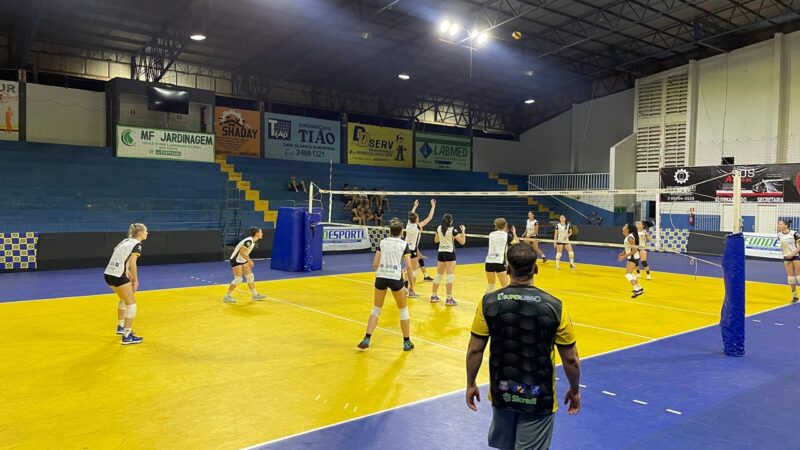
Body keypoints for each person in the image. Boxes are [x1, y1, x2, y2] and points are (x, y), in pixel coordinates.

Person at [466, 244, 581, 450]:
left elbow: (475, 350)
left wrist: (471, 383)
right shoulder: (555, 307)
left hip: (502, 394)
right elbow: (571, 359)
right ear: (536, 269)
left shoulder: (488, 303)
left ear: (507, 269)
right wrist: (574, 390)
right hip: (538, 398)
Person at [357, 219, 416, 351]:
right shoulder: (404, 244)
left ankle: (367, 338)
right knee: (403, 311)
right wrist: (412, 286)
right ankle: (406, 342)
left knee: (376, 309)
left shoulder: (382, 242)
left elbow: (374, 265)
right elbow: (409, 267)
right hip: (395, 278)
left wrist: (380, 272)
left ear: (390, 231)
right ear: (401, 232)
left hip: (381, 277)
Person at [104, 223, 148, 345]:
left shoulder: (125, 241)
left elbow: (119, 257)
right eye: (146, 231)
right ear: (140, 233)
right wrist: (135, 279)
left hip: (108, 274)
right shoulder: (137, 244)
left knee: (124, 298)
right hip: (118, 275)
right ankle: (127, 335)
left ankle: (120, 326)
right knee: (132, 304)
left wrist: (127, 272)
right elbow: (133, 263)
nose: (147, 233)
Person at [223, 227, 267, 303]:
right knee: (238, 279)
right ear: (256, 233)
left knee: (250, 276)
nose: (262, 234)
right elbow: (242, 252)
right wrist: (249, 261)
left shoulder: (252, 241)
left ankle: (255, 295)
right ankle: (227, 296)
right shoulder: (249, 241)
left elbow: (246, 253)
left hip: (242, 260)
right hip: (236, 260)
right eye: (261, 232)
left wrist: (247, 260)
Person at [431, 213, 466, 306]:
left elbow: (436, 240)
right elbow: (462, 242)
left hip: (440, 253)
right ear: (450, 221)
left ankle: (433, 296)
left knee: (439, 274)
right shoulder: (453, 230)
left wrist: (443, 237)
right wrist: (463, 231)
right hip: (449, 253)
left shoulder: (438, 228)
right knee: (449, 275)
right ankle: (449, 299)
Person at [405, 199, 437, 297]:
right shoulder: (417, 226)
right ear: (417, 220)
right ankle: (411, 291)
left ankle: (405, 289)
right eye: (418, 217)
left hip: (404, 248)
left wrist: (415, 206)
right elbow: (429, 217)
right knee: (414, 271)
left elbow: (411, 214)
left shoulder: (408, 224)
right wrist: (433, 207)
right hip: (412, 250)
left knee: (407, 269)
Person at [485, 218, 518, 294]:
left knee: (490, 285)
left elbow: (499, 237)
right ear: (505, 225)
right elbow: (517, 244)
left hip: (489, 262)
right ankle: (506, 304)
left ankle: (485, 303)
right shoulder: (507, 236)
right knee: (505, 287)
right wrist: (514, 234)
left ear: (495, 226)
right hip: (500, 262)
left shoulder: (491, 234)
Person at [618, 223, 645, 298]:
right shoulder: (628, 237)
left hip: (633, 257)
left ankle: (636, 289)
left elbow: (635, 250)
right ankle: (640, 288)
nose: (623, 227)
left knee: (628, 275)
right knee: (630, 273)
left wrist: (624, 256)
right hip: (631, 257)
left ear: (627, 229)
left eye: (625, 226)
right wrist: (622, 253)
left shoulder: (630, 238)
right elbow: (628, 248)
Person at [778, 219, 800, 303]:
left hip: (795, 255)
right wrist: (786, 254)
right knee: (790, 278)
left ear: (786, 226)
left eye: (780, 224)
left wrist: (792, 253)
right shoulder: (779, 235)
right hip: (786, 257)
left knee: (798, 277)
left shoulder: (794, 234)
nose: (779, 226)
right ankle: (795, 297)